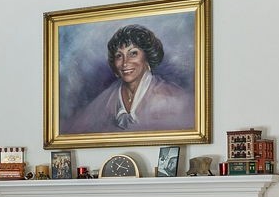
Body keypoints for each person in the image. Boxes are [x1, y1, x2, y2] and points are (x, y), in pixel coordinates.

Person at [63, 23, 194, 135]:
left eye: (133, 53)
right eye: (119, 56)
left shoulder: (171, 98)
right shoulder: (108, 97)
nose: (125, 63)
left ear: (147, 57)